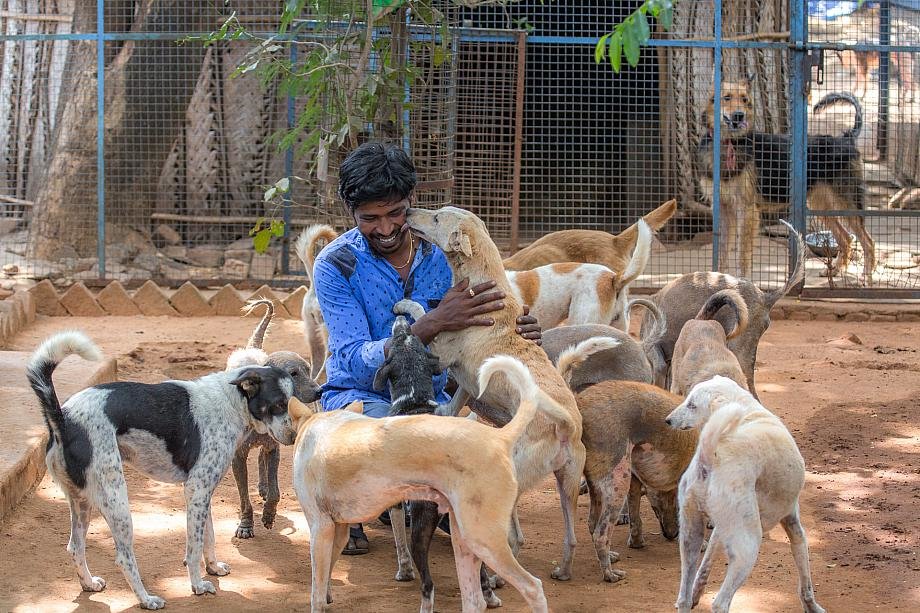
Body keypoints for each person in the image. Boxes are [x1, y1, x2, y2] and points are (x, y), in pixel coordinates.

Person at [312, 142, 541, 554]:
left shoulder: (449, 247)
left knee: (459, 447)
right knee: (391, 437)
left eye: (395, 213)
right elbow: (352, 361)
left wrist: (515, 332)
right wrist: (431, 324)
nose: (384, 228)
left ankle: (404, 498)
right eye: (370, 219)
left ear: (411, 201)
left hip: (439, 400)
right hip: (363, 401)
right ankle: (371, 497)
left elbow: (486, 327)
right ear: (351, 213)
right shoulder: (335, 264)